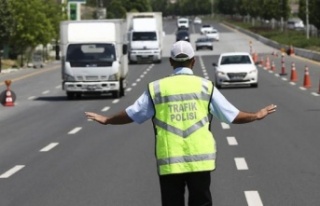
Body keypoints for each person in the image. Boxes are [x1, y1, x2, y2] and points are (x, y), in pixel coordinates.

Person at [85, 40, 277, 206]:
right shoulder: (205, 86)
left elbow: (133, 114)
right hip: (200, 162)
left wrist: (107, 120)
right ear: (193, 62)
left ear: (171, 62)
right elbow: (232, 115)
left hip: (170, 161)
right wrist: (256, 115)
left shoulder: (157, 88)